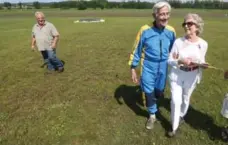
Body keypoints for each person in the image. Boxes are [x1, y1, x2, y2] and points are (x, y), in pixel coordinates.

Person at [128, 1, 176, 130]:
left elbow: (174, 50)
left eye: (167, 14)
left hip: (164, 65)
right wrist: (133, 67)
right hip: (148, 65)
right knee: (149, 92)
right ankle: (152, 115)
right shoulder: (145, 30)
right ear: (154, 15)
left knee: (159, 91)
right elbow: (136, 49)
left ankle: (154, 101)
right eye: (162, 14)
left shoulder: (171, 31)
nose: (165, 17)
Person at [167, 13, 208, 137]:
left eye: (189, 23)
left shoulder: (203, 44)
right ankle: (174, 127)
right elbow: (169, 60)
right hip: (177, 75)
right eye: (184, 23)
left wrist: (203, 64)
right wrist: (180, 61)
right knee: (175, 100)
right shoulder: (178, 42)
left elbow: (201, 60)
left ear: (197, 26)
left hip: (192, 76)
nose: (186, 26)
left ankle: (181, 116)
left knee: (185, 99)